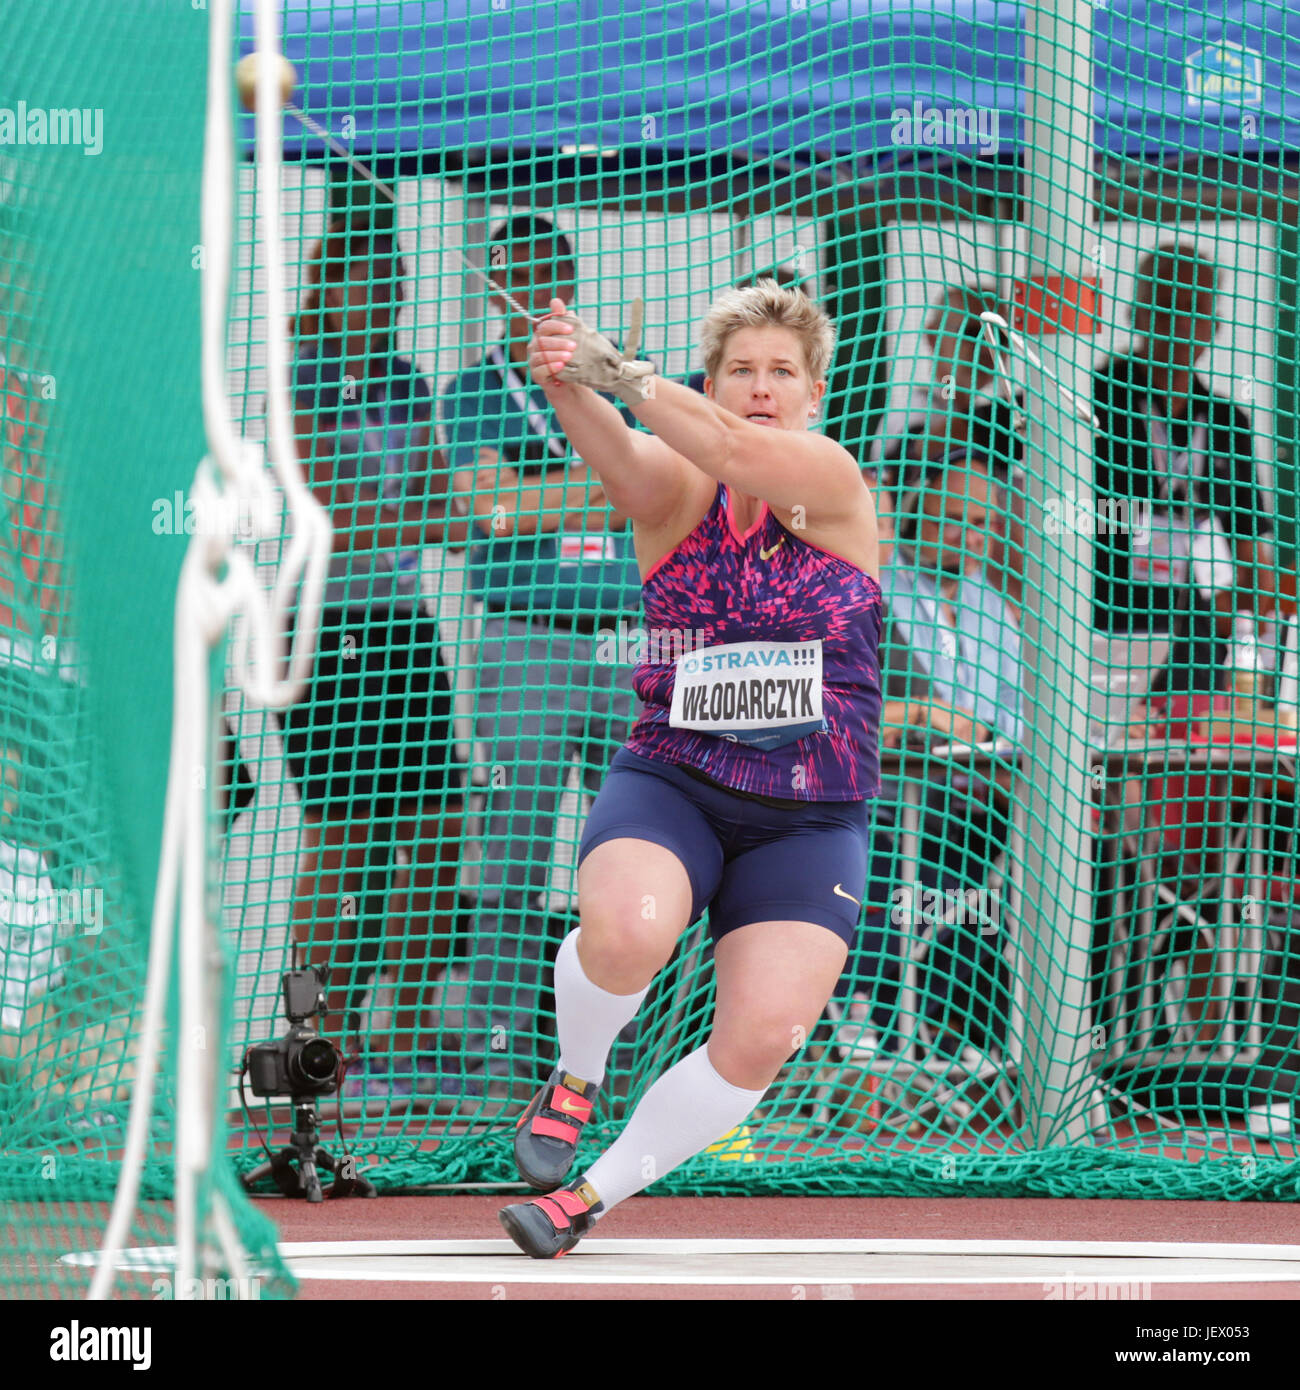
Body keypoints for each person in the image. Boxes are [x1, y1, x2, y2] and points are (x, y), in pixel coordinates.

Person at [493, 278, 882, 1257]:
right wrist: (565, 380)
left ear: (812, 395)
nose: (760, 387)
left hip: (810, 814)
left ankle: (588, 1196)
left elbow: (737, 449)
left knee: (764, 1034)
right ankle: (576, 1074)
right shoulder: (679, 485)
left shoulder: (828, 480)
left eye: (780, 373)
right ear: (709, 380)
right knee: (625, 932)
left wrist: (616, 370)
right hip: (676, 781)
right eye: (739, 370)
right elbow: (623, 458)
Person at [438, 216, 643, 1107]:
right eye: (512, 273)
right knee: (514, 856)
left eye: (545, 272)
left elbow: (660, 486)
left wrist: (547, 497)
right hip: (527, 638)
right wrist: (606, 484)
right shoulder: (475, 388)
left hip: (635, 642)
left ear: (569, 280)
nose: (529, 288)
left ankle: (611, 1059)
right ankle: (497, 1054)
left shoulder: (624, 383)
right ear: (490, 285)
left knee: (635, 858)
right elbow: (493, 511)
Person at [280, 214, 470, 1114]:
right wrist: (432, 512)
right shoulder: (301, 375)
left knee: (433, 843)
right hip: (322, 633)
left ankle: (395, 1042)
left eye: (399, 281)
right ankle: (313, 1043)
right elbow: (343, 519)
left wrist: (444, 510)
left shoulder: (404, 379)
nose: (393, 296)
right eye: (376, 279)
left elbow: (444, 511)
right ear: (334, 283)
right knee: (345, 851)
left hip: (403, 628)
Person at [839, 450, 1023, 1056]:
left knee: (1054, 865)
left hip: (980, 808)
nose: (968, 536)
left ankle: (985, 1041)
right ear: (918, 514)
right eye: (953, 519)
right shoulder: (871, 591)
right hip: (887, 803)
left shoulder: (997, 611)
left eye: (981, 525)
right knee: (889, 867)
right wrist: (921, 716)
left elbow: (1017, 725)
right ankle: (868, 1039)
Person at [881, 284, 1025, 613]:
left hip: (970, 606)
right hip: (904, 601)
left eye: (999, 339)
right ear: (932, 337)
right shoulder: (900, 413)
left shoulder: (990, 423)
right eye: (973, 333)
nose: (986, 349)